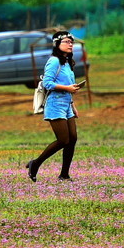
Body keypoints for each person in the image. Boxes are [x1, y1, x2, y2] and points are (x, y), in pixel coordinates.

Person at [26, 31, 81, 182]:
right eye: (66, 42)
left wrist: (72, 104)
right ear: (57, 44)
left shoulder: (67, 62)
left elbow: (69, 85)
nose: (70, 44)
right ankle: (35, 164)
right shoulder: (54, 61)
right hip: (55, 103)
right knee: (63, 140)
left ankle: (64, 175)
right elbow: (47, 83)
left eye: (71, 42)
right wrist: (68, 88)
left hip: (66, 104)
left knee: (73, 138)